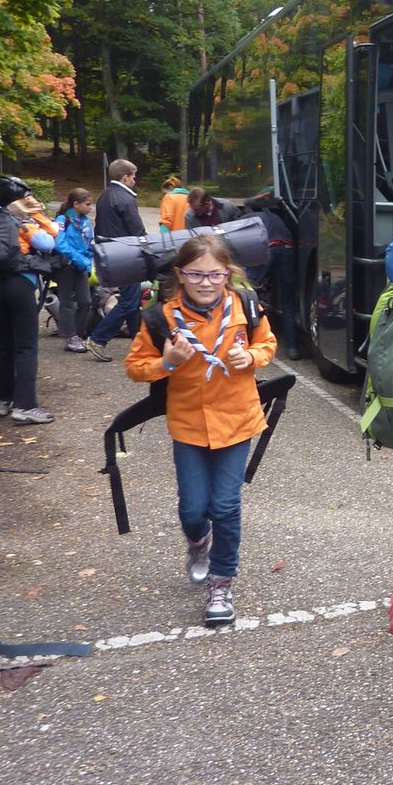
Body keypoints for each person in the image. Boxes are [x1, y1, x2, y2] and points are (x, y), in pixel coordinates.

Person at [124, 234, 277, 625]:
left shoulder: (246, 305)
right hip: (189, 423)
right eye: (195, 274)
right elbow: (135, 367)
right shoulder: (161, 318)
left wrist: (252, 356)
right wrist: (167, 363)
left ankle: (221, 583)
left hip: (237, 420)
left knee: (225, 506)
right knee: (193, 509)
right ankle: (197, 541)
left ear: (228, 273)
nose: (206, 283)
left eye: (214, 274)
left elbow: (268, 343)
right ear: (180, 274)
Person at [0, 177, 58, 425]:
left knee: (2, 342)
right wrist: (34, 217)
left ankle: (1, 401)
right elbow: (48, 242)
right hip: (19, 282)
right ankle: (25, 406)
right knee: (26, 345)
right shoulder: (17, 220)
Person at [86, 159, 145, 362]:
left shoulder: (105, 196)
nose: (135, 180)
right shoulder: (126, 198)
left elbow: (98, 228)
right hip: (128, 255)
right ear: (125, 177)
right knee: (129, 302)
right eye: (133, 176)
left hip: (111, 254)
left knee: (131, 300)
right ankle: (98, 338)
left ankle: (140, 343)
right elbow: (137, 231)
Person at [242, 196, 300, 360]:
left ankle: (249, 337)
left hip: (268, 248)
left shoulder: (249, 218)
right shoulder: (275, 216)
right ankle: (292, 348)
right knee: (288, 300)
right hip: (288, 248)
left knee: (247, 291)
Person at [54, 188, 95, 353]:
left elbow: (89, 243)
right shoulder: (62, 220)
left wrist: (89, 258)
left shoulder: (85, 221)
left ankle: (80, 334)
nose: (90, 208)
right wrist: (79, 259)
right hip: (66, 265)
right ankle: (70, 337)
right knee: (67, 302)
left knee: (86, 301)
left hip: (81, 265)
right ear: (76, 204)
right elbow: (60, 244)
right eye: (88, 204)